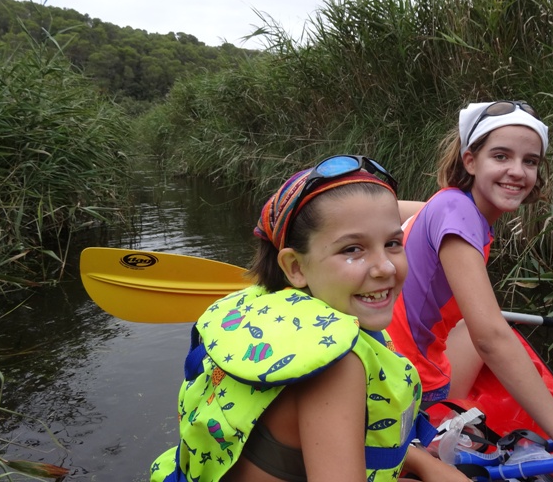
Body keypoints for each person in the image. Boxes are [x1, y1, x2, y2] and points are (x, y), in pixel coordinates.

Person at [150, 155, 471, 482]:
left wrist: (424, 464)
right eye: (353, 250)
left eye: (392, 243)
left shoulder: (280, 314)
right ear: (295, 267)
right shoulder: (336, 365)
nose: (385, 267)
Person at [386, 101, 553, 482]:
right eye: (501, 156)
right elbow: (490, 338)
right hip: (403, 382)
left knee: (474, 329)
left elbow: (399, 207)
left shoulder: (448, 206)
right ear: (470, 161)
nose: (518, 171)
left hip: (400, 360)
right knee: (488, 333)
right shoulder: (456, 213)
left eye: (530, 161)